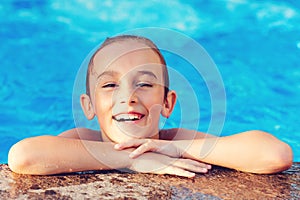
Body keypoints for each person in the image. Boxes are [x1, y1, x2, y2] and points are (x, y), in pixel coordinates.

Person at [8, 35, 293, 177]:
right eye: (109, 86)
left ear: (167, 103)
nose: (128, 97)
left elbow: (275, 154)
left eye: (144, 84)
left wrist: (176, 149)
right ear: (89, 105)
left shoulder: (176, 140)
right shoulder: (83, 141)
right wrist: (129, 158)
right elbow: (22, 156)